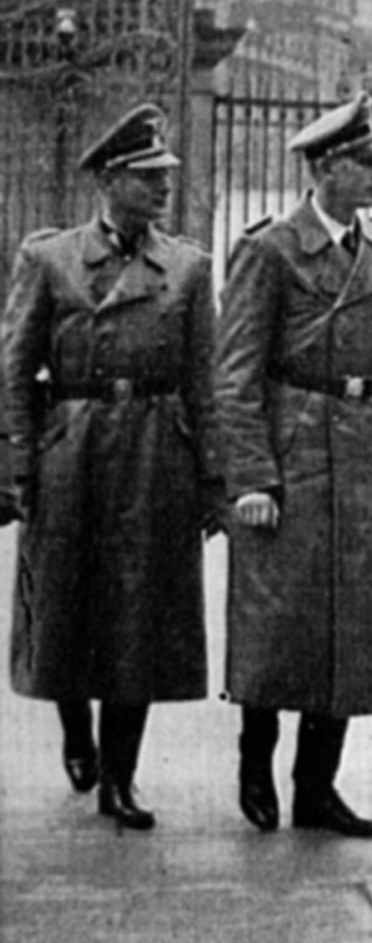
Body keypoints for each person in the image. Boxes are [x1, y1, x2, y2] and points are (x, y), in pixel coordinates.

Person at [1, 104, 219, 831]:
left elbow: (204, 382)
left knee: (140, 617)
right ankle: (74, 728)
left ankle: (120, 779)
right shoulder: (50, 259)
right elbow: (13, 371)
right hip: (74, 447)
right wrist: (19, 465)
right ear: (109, 180)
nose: (163, 187)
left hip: (157, 454)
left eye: (165, 176)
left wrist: (213, 481)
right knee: (67, 600)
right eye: (147, 176)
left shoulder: (188, 269)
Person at [216, 100, 372, 838]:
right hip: (295, 449)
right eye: (366, 162)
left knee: (353, 624)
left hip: (368, 452)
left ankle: (318, 787)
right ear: (325, 168)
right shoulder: (271, 251)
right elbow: (235, 373)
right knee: (281, 621)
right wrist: (249, 478)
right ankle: (255, 766)